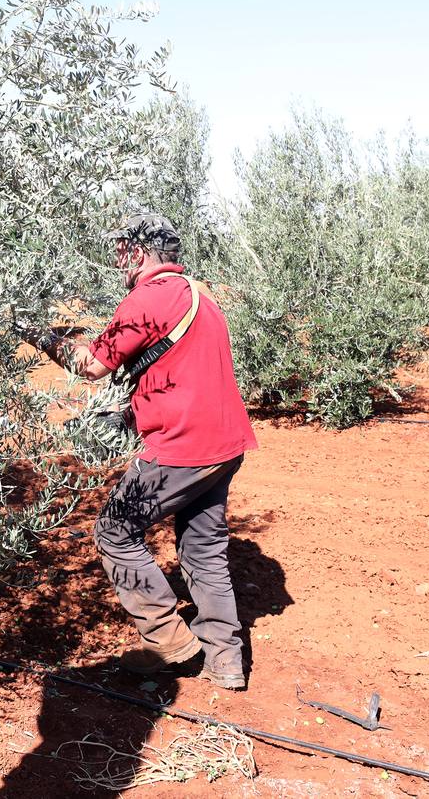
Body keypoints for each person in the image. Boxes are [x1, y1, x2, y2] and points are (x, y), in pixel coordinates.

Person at [19, 214, 258, 690]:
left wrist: (38, 335)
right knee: (204, 548)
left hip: (182, 446)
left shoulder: (148, 297)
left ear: (141, 252)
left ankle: (168, 641)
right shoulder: (199, 294)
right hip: (225, 444)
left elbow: (92, 365)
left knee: (114, 532)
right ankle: (225, 660)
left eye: (122, 249)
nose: (117, 260)